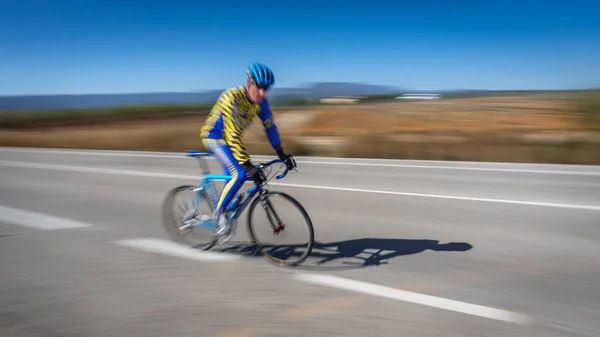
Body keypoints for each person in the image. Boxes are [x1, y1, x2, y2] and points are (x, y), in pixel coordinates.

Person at [199, 62, 296, 241]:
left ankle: (226, 207)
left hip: (230, 141)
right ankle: (218, 214)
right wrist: (246, 164)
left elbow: (270, 127)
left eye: (266, 89)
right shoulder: (231, 98)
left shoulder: (261, 103)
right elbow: (232, 134)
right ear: (249, 83)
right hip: (215, 138)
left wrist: (281, 152)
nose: (262, 93)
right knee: (241, 173)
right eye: (259, 88)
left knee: (241, 174)